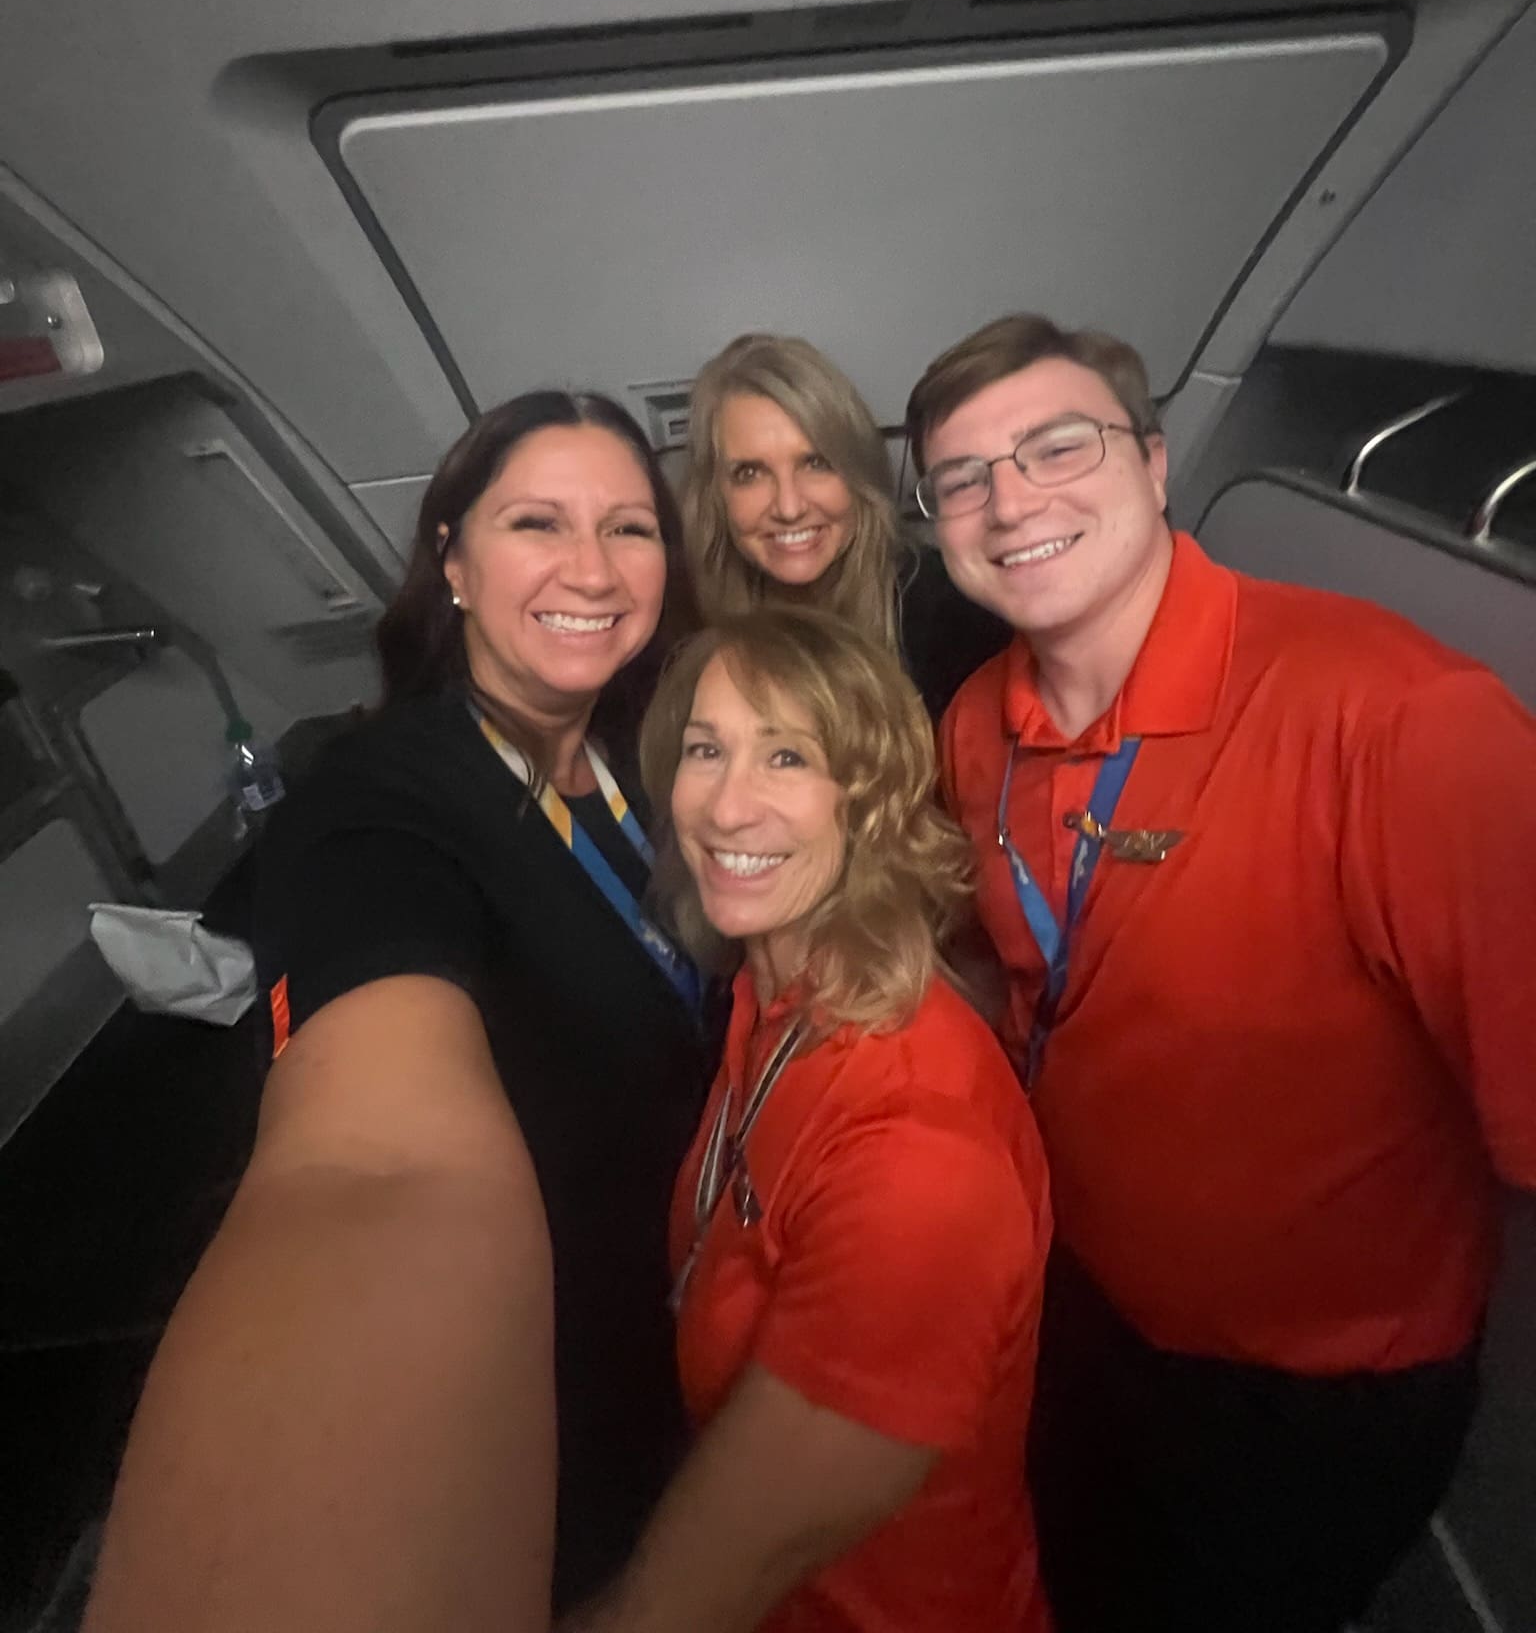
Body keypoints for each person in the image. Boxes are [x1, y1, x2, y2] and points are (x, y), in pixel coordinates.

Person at [905, 312, 1536, 1633]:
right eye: (962, 478)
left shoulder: (1404, 725)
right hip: (1088, 1303)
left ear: (1155, 463)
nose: (1009, 500)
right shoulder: (980, 727)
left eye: (1054, 446)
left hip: (1314, 1395)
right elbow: (1038, 976)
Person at [85, 390, 711, 1630]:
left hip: (689, 1337)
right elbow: (375, 1161)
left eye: (631, 528)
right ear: (454, 559)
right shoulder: (377, 802)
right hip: (543, 1407)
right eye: (538, 520)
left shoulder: (650, 752)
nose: (593, 566)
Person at [572, 607, 1053, 1633]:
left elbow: (668, 1610)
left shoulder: (917, 1156)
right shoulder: (773, 994)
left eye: (787, 754)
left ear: (868, 801)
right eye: (706, 749)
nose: (727, 804)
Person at [682, 333, 1006, 716]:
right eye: (750, 473)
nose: (789, 507)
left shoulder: (948, 616)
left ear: (857, 472)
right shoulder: (683, 625)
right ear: (714, 494)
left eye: (816, 463)